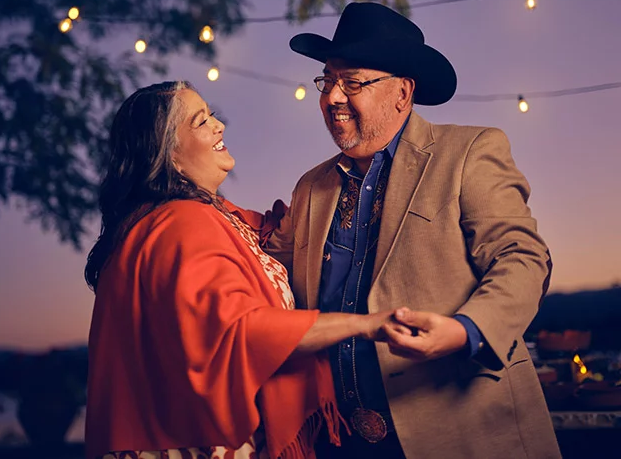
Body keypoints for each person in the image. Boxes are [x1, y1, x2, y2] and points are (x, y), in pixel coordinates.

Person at [265, 2, 561, 458]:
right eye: (328, 80)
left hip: (463, 435)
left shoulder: (470, 151)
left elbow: (523, 259)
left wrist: (466, 331)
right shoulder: (309, 187)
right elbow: (269, 278)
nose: (333, 97)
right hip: (341, 442)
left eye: (353, 82)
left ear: (402, 92)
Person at [83, 81, 409, 459]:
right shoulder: (182, 225)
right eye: (201, 121)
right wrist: (367, 325)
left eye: (212, 115)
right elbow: (241, 330)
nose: (219, 126)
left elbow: (272, 240)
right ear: (170, 155)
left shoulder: (189, 221)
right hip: (202, 442)